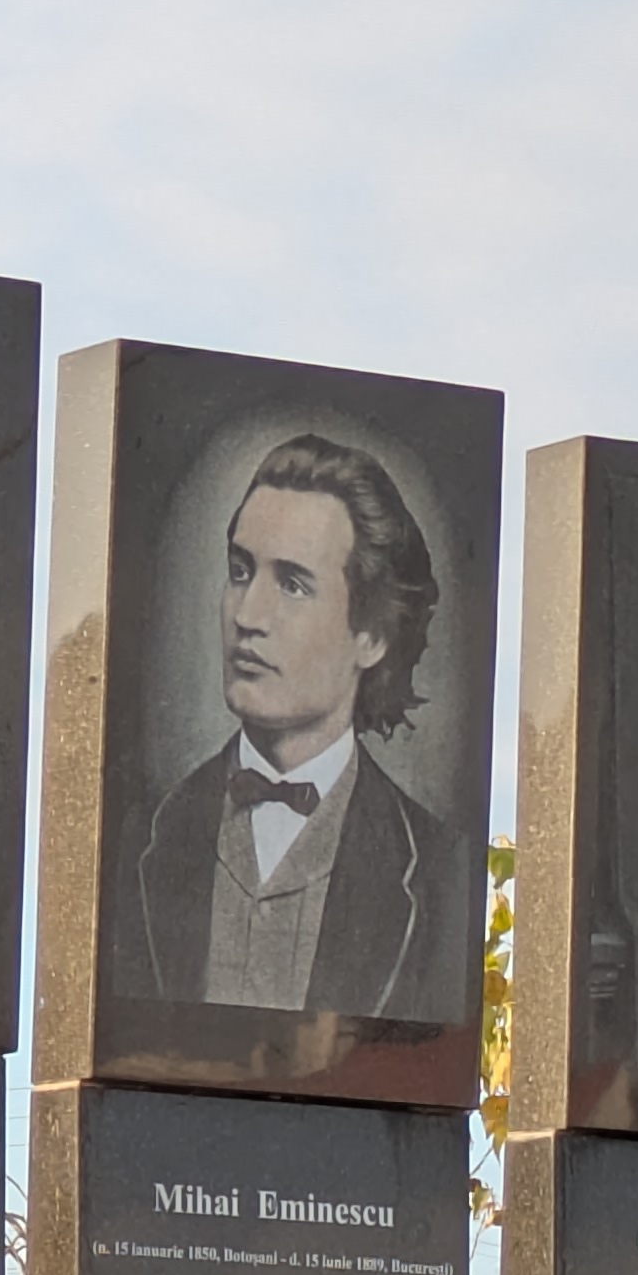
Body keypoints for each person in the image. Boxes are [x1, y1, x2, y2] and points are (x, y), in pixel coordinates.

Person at [119, 433, 473, 1026]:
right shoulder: (139, 837)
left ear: (373, 634)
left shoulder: (439, 872)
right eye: (240, 571)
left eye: (292, 584)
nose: (248, 617)